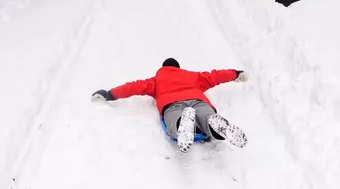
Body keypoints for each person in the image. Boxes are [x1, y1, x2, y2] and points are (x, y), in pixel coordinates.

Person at [92, 58, 248, 153]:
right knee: (205, 115)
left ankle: (182, 124)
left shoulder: (156, 80)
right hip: (198, 100)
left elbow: (133, 86)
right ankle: (213, 123)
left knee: (175, 120)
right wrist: (236, 74)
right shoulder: (192, 76)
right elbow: (215, 76)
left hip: (172, 103)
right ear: (178, 68)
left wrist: (109, 94)